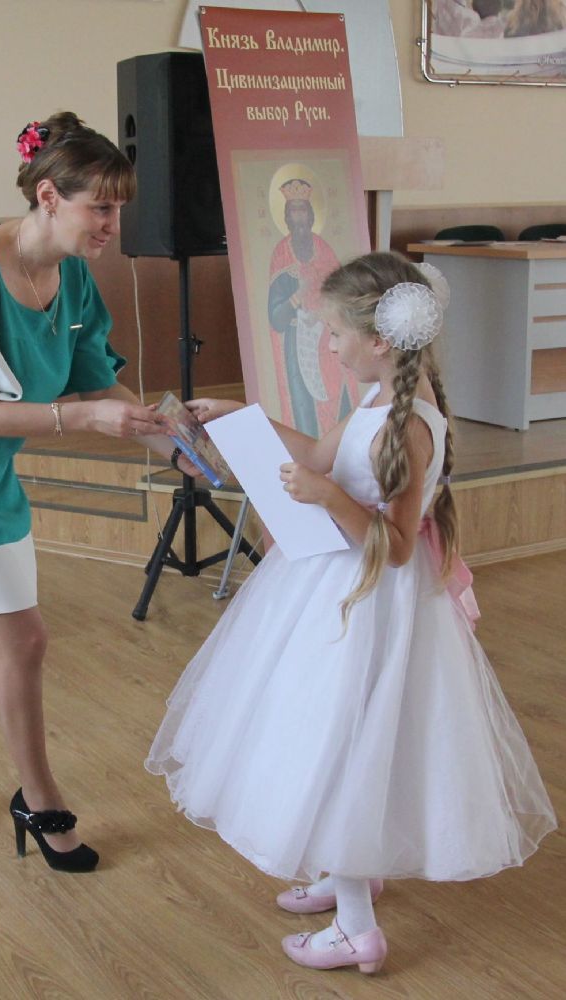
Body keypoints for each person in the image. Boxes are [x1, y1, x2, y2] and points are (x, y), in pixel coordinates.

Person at [146, 251, 556, 973]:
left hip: (369, 603)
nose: (329, 346)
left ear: (378, 339)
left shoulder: (408, 427)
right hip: (334, 587)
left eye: (335, 332)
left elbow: (395, 547)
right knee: (325, 734)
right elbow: (318, 454)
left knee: (342, 747)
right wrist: (243, 419)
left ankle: (356, 928)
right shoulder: (375, 403)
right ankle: (346, 872)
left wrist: (329, 497)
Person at [0, 111, 196, 873]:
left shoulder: (72, 274)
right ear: (49, 197)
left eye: (118, 208)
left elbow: (95, 380)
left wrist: (173, 441)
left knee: (2, 639)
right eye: (100, 208)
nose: (112, 224)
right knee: (22, 639)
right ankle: (40, 799)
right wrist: (82, 418)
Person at [268, 178, 355, 437]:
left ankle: (339, 451)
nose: (299, 217)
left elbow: (343, 296)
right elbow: (275, 318)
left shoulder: (324, 249)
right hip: (298, 346)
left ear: (311, 214)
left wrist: (323, 313)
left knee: (339, 400)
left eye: (303, 210)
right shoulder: (281, 254)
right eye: (294, 210)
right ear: (287, 216)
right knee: (304, 409)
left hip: (329, 340)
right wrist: (297, 297)